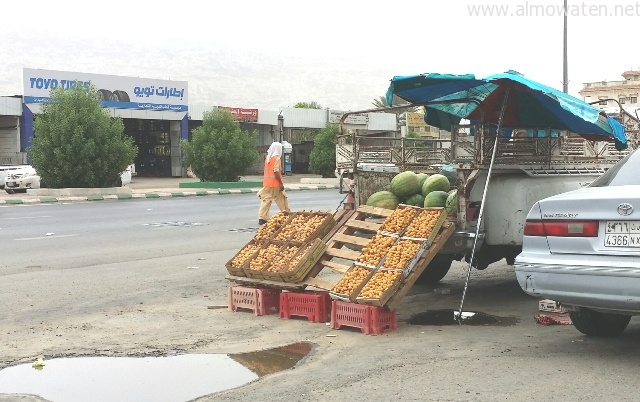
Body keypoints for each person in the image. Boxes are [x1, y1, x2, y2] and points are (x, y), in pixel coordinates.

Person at [257, 142, 290, 225]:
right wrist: (281, 184)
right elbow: (276, 172)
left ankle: (262, 217)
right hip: (275, 185)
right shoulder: (276, 158)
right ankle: (286, 215)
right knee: (282, 199)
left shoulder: (268, 158)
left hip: (267, 184)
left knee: (266, 200)